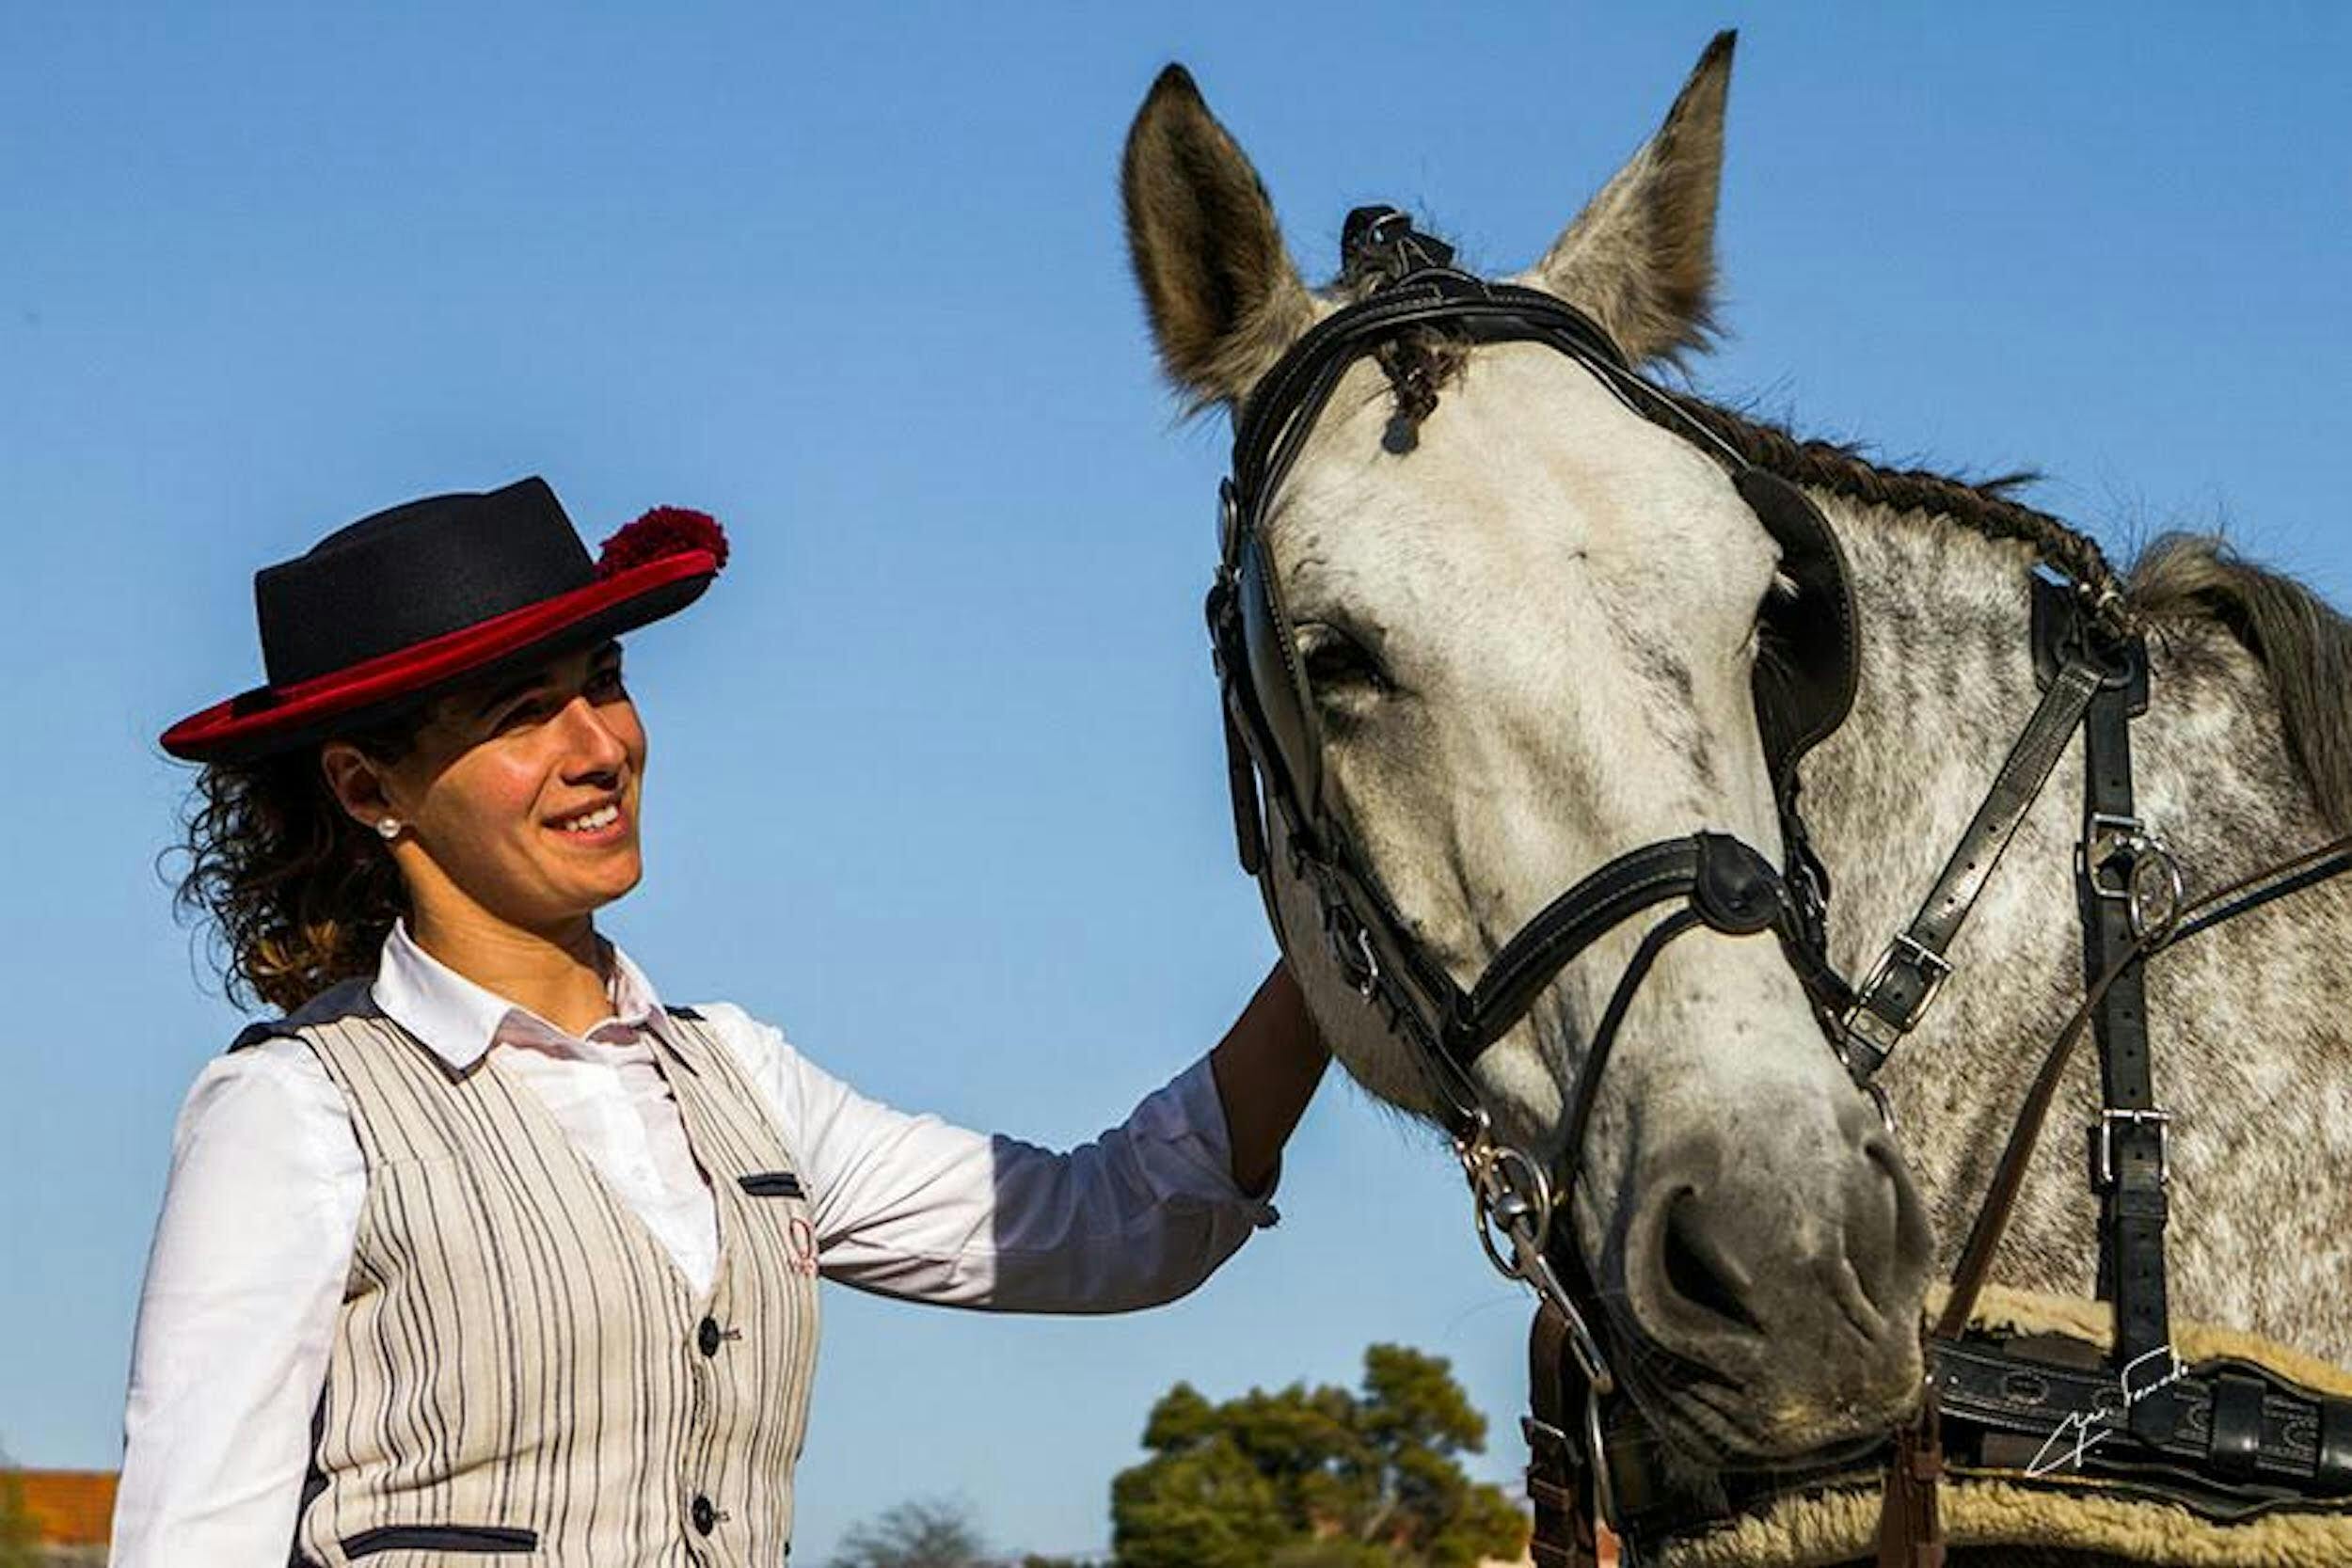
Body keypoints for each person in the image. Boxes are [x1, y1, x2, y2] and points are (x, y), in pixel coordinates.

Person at [118, 476, 1328, 1566]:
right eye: (520, 711)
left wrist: (1340, 935)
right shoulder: (295, 1109)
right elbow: (192, 1538)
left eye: (604, 681)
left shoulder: (738, 1075)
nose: (599, 747)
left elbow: (1102, 1222)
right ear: (367, 786)